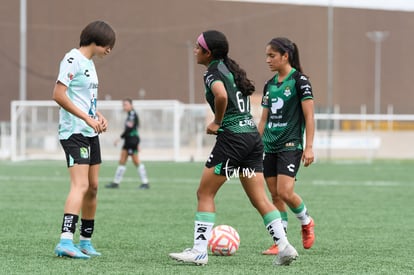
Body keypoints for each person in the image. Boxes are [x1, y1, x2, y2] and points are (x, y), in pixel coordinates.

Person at [169, 30, 298, 266]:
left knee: (205, 193)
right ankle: (284, 246)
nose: (195, 50)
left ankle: (199, 250)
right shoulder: (230, 70)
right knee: (260, 198)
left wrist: (217, 121)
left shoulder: (212, 72)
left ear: (208, 52)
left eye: (198, 47)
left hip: (233, 140)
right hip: (251, 139)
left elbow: (220, 96)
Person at [52, 20, 116, 259]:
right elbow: (58, 94)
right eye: (108, 44)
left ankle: (85, 242)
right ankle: (65, 241)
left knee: (94, 187)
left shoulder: (89, 63)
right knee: (80, 185)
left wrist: (97, 116)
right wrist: (86, 119)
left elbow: (83, 99)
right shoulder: (72, 59)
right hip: (74, 132)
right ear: (95, 39)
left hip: (90, 131)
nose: (109, 49)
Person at [258, 37, 315, 255]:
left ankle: (306, 221)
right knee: (274, 195)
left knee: (285, 191)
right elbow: (263, 120)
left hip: (290, 144)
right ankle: (280, 241)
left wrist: (308, 146)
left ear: (285, 56)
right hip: (268, 146)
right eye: (266, 55)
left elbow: (309, 117)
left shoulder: (300, 81)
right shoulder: (269, 84)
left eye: (271, 55)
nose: (267, 60)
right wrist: (255, 144)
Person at [105, 98, 149, 189]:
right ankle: (116, 182)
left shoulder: (132, 114)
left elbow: (129, 129)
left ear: (131, 105)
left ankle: (145, 183)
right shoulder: (130, 114)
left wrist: (119, 138)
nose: (124, 106)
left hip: (132, 140)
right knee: (122, 160)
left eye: (126, 104)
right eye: (123, 105)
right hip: (129, 140)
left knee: (136, 161)